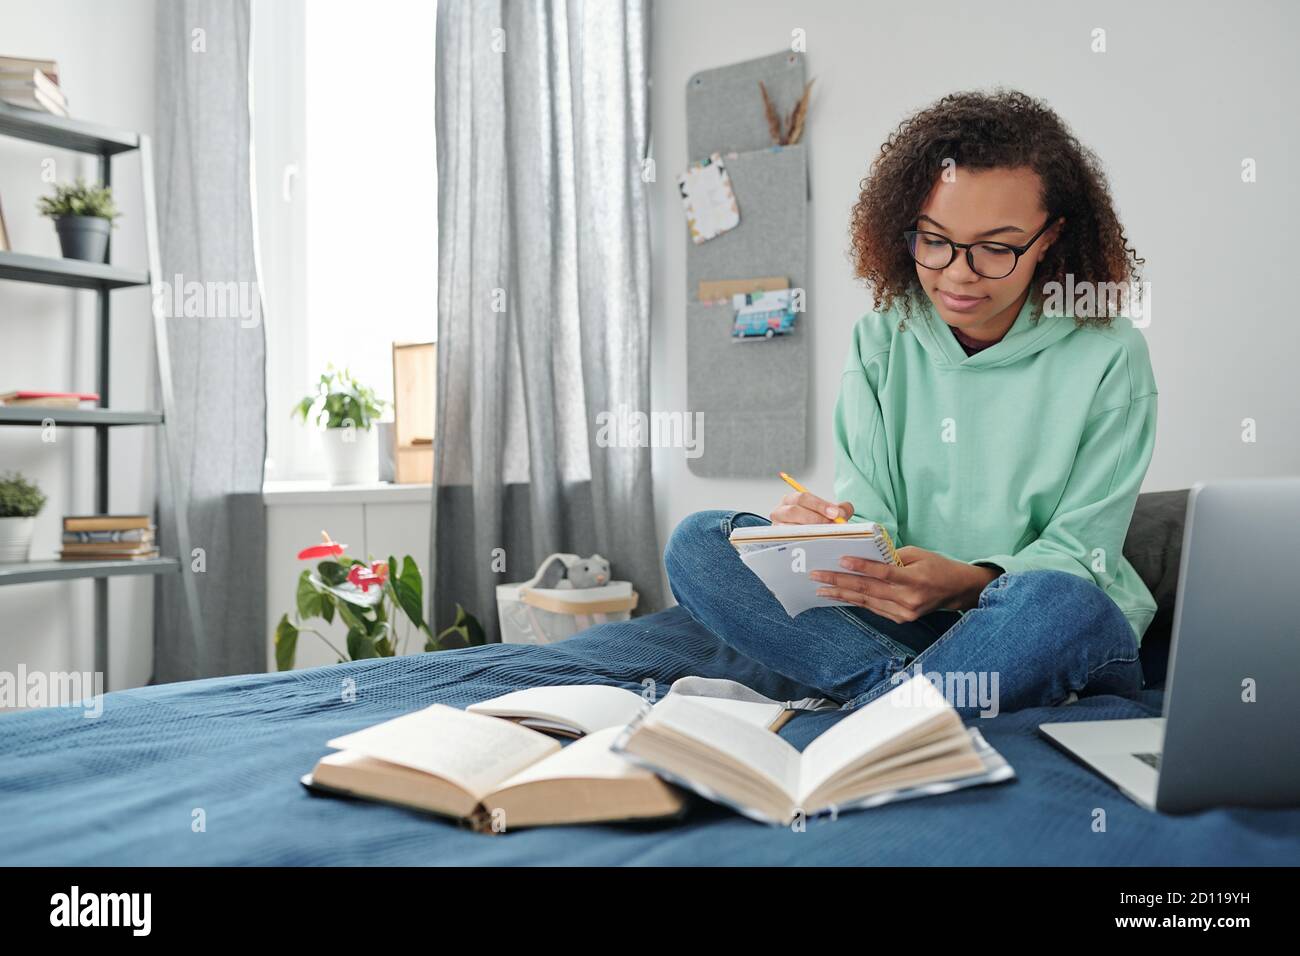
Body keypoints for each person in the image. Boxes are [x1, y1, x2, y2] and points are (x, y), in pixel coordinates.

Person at [665, 90, 1157, 717]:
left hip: (1028, 624)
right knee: (701, 544)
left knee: (1061, 603)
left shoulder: (1110, 354)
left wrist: (969, 581)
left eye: (996, 248)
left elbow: (1080, 554)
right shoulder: (881, 338)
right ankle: (905, 710)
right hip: (897, 623)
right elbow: (874, 520)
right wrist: (826, 537)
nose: (957, 274)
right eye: (935, 241)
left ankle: (876, 709)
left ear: (1051, 239)